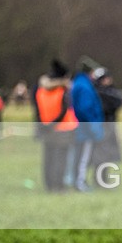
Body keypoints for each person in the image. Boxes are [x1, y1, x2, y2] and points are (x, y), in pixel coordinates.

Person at [35, 60, 78, 192]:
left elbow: (38, 110)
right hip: (63, 129)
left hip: (46, 128)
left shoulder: (40, 91)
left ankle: (49, 185)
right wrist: (54, 123)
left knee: (48, 159)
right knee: (61, 160)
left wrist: (45, 125)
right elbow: (64, 111)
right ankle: (59, 186)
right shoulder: (62, 91)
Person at [70, 63, 105, 192]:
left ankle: (78, 180)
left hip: (81, 127)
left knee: (80, 156)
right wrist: (94, 127)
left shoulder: (79, 83)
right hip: (85, 129)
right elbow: (86, 109)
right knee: (83, 157)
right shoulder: (85, 87)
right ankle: (80, 182)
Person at [90, 67, 122, 186]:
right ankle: (99, 180)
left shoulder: (110, 92)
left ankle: (104, 179)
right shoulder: (98, 93)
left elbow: (120, 101)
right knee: (100, 155)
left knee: (108, 155)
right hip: (101, 126)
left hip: (109, 125)